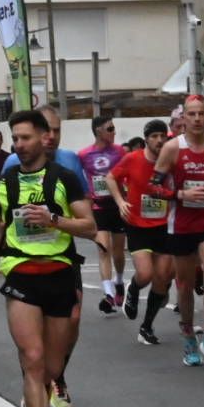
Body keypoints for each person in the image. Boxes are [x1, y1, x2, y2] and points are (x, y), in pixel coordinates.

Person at [0, 109, 96, 407]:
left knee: (52, 365)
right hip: (21, 273)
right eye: (15, 138)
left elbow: (90, 227)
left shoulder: (64, 179)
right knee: (31, 356)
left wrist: (53, 220)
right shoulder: (5, 182)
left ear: (45, 138)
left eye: (25, 137)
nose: (19, 145)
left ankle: (44, 393)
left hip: (59, 273)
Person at [1, 104, 91, 407]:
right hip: (25, 258)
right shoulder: (14, 161)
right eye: (47, 131)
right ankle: (33, 382)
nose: (51, 137)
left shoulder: (70, 163)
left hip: (62, 256)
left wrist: (55, 219)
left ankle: (57, 375)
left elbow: (83, 209)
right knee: (31, 337)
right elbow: (4, 207)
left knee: (73, 319)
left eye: (56, 131)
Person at [151, 94, 204, 369]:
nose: (197, 119)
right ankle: (188, 336)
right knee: (184, 286)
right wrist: (181, 193)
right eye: (191, 114)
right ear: (183, 118)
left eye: (201, 114)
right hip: (182, 224)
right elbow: (153, 187)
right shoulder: (173, 148)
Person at [108, 119, 175, 345]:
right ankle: (133, 288)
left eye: (162, 136)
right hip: (137, 224)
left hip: (163, 225)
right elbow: (110, 178)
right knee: (145, 274)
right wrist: (120, 202)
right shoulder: (132, 158)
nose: (158, 140)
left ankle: (146, 326)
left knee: (163, 278)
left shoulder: (170, 160)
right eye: (154, 136)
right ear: (146, 139)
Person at [79, 115, 129, 314]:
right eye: (110, 129)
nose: (114, 132)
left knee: (118, 251)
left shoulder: (120, 151)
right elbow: (78, 177)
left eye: (114, 128)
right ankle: (108, 294)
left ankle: (118, 281)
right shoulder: (84, 154)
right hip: (98, 207)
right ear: (98, 131)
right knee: (103, 248)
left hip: (117, 205)